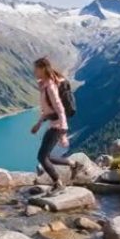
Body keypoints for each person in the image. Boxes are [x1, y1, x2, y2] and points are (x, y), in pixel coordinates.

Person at [30, 57, 79, 193]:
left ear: (42, 69)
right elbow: (48, 110)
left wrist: (63, 130)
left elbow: (59, 108)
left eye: (36, 69)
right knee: (47, 156)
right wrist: (38, 124)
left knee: (42, 157)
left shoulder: (51, 86)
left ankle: (58, 183)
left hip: (57, 125)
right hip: (54, 124)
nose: (34, 71)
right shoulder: (46, 84)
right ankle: (74, 164)